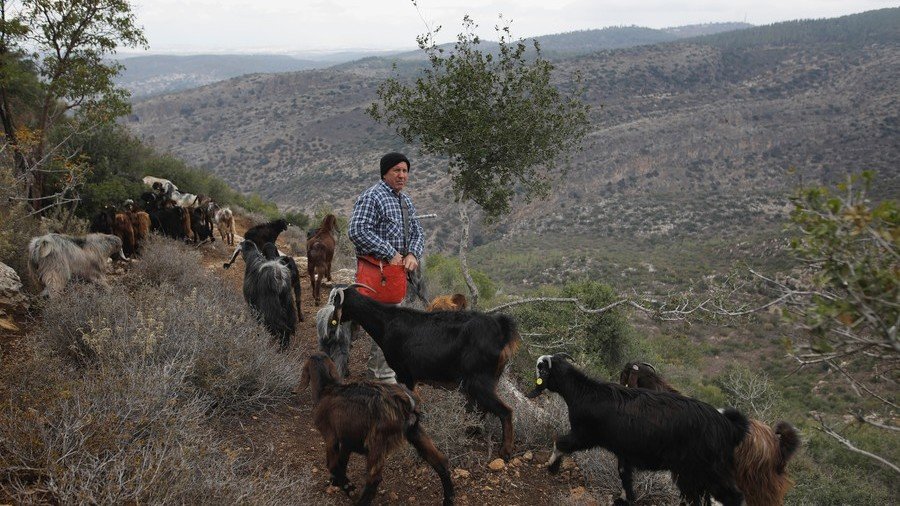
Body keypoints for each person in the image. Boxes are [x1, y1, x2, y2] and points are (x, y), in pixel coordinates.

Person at [348, 152, 425, 383]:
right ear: (385, 173)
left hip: (394, 276)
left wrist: (412, 253)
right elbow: (357, 230)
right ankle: (381, 379)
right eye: (396, 171)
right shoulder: (373, 196)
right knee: (385, 325)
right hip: (376, 274)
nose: (402, 175)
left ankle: (379, 375)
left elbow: (418, 232)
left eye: (405, 171)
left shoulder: (405, 200)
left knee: (386, 324)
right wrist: (389, 252)